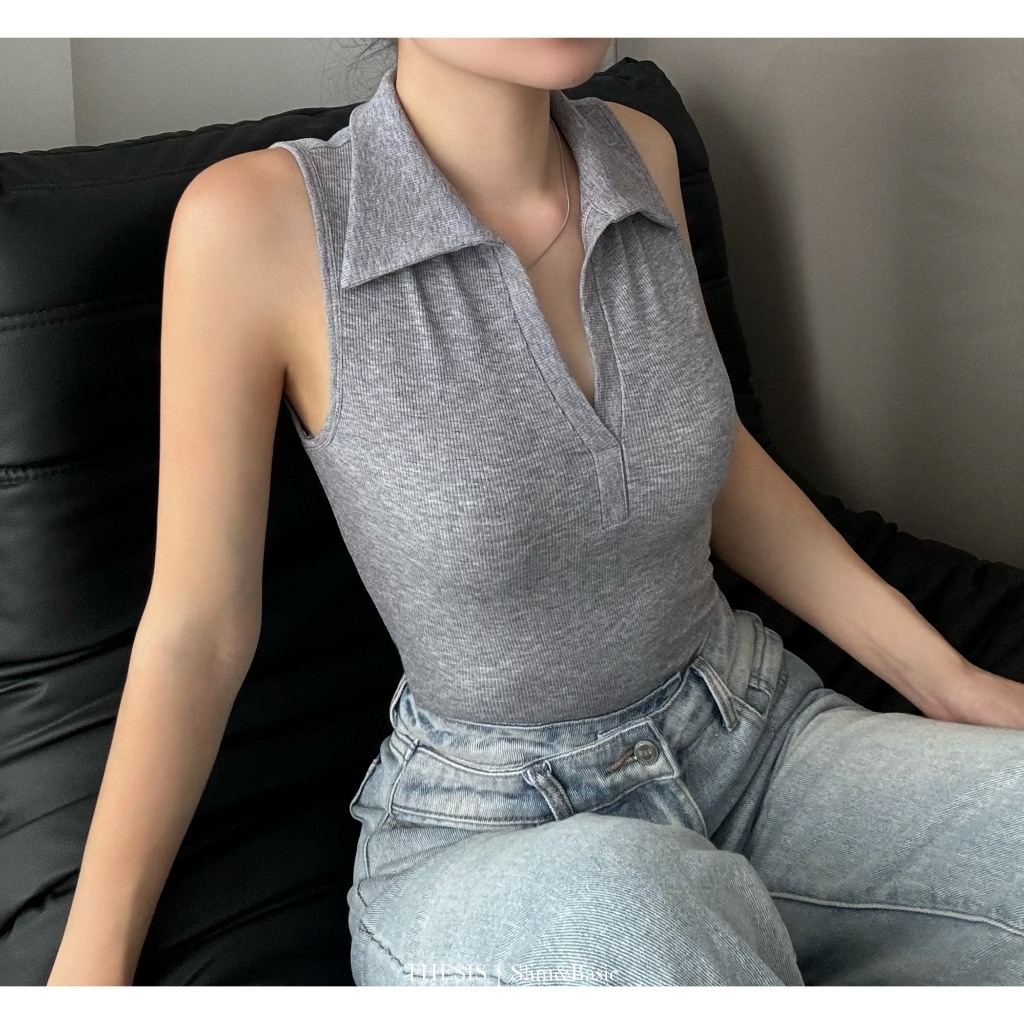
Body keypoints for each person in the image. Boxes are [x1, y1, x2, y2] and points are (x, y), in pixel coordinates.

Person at [48, 38, 1024, 987]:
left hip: (750, 734)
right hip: (489, 826)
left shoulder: (639, 152)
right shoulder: (257, 223)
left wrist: (947, 681)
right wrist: (87, 970)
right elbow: (199, 631)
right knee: (638, 917)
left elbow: (716, 462)